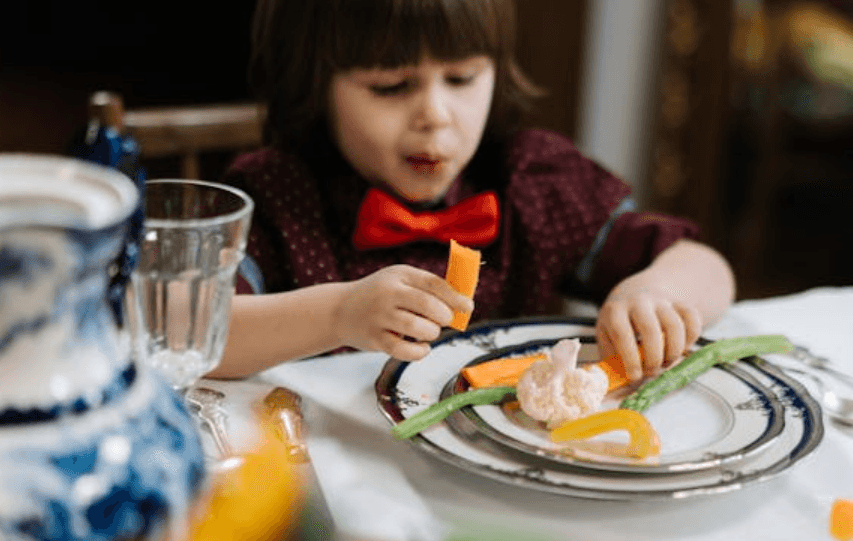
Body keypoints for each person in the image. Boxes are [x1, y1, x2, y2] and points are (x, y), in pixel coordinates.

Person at [210, 0, 736, 382]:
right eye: (391, 86)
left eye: (461, 79)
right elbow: (195, 332)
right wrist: (337, 315)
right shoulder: (277, 194)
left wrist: (655, 295)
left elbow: (706, 266)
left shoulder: (531, 182)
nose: (436, 116)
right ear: (314, 86)